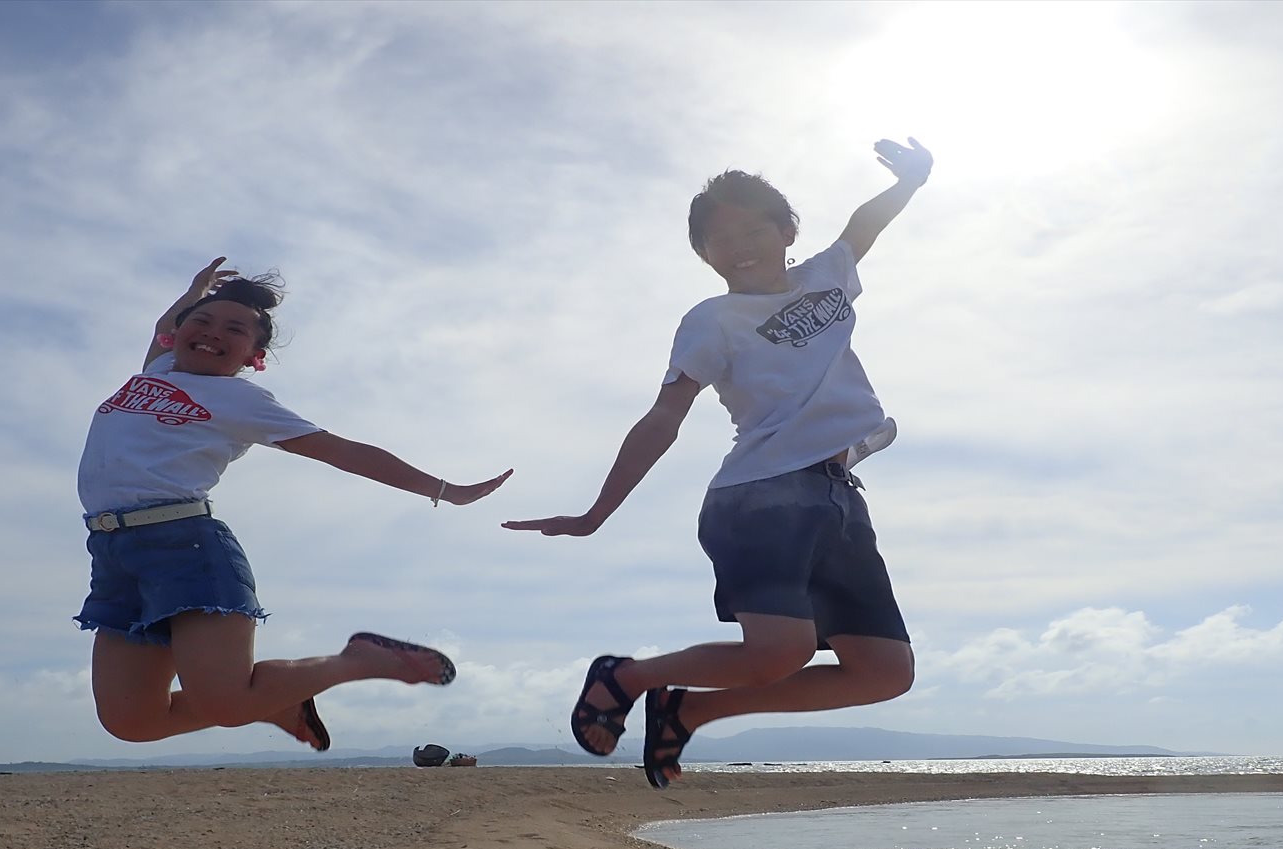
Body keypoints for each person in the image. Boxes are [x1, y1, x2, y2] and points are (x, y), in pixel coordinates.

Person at [504, 139, 932, 787]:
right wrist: (596, 512)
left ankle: (690, 707)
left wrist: (913, 182)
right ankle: (628, 676)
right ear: (703, 254)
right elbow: (663, 416)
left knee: (884, 672)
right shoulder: (713, 321)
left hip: (840, 500)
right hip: (761, 499)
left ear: (788, 230)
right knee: (780, 651)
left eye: (755, 227)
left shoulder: (826, 276)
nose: (739, 245)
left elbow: (863, 226)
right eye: (718, 238)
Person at [77, 257, 512, 749]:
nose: (212, 333)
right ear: (176, 334)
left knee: (227, 703)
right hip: (112, 553)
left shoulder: (242, 400)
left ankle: (356, 661)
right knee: (131, 721)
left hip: (183, 548)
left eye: (234, 330)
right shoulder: (156, 370)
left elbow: (342, 451)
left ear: (253, 356)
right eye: (202, 322)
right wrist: (196, 290)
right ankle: (277, 699)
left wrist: (444, 489)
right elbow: (166, 324)